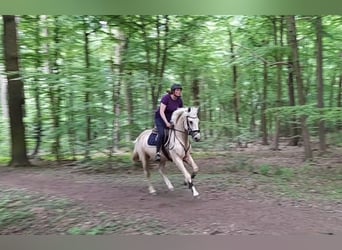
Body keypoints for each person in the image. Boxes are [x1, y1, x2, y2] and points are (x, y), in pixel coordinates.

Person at [154, 83, 184, 161]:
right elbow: (161, 112)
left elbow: (180, 113)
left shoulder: (179, 101)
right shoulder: (166, 98)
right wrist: (166, 123)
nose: (179, 91)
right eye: (177, 90)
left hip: (171, 119)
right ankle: (157, 153)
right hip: (160, 118)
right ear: (173, 91)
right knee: (162, 133)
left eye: (180, 90)